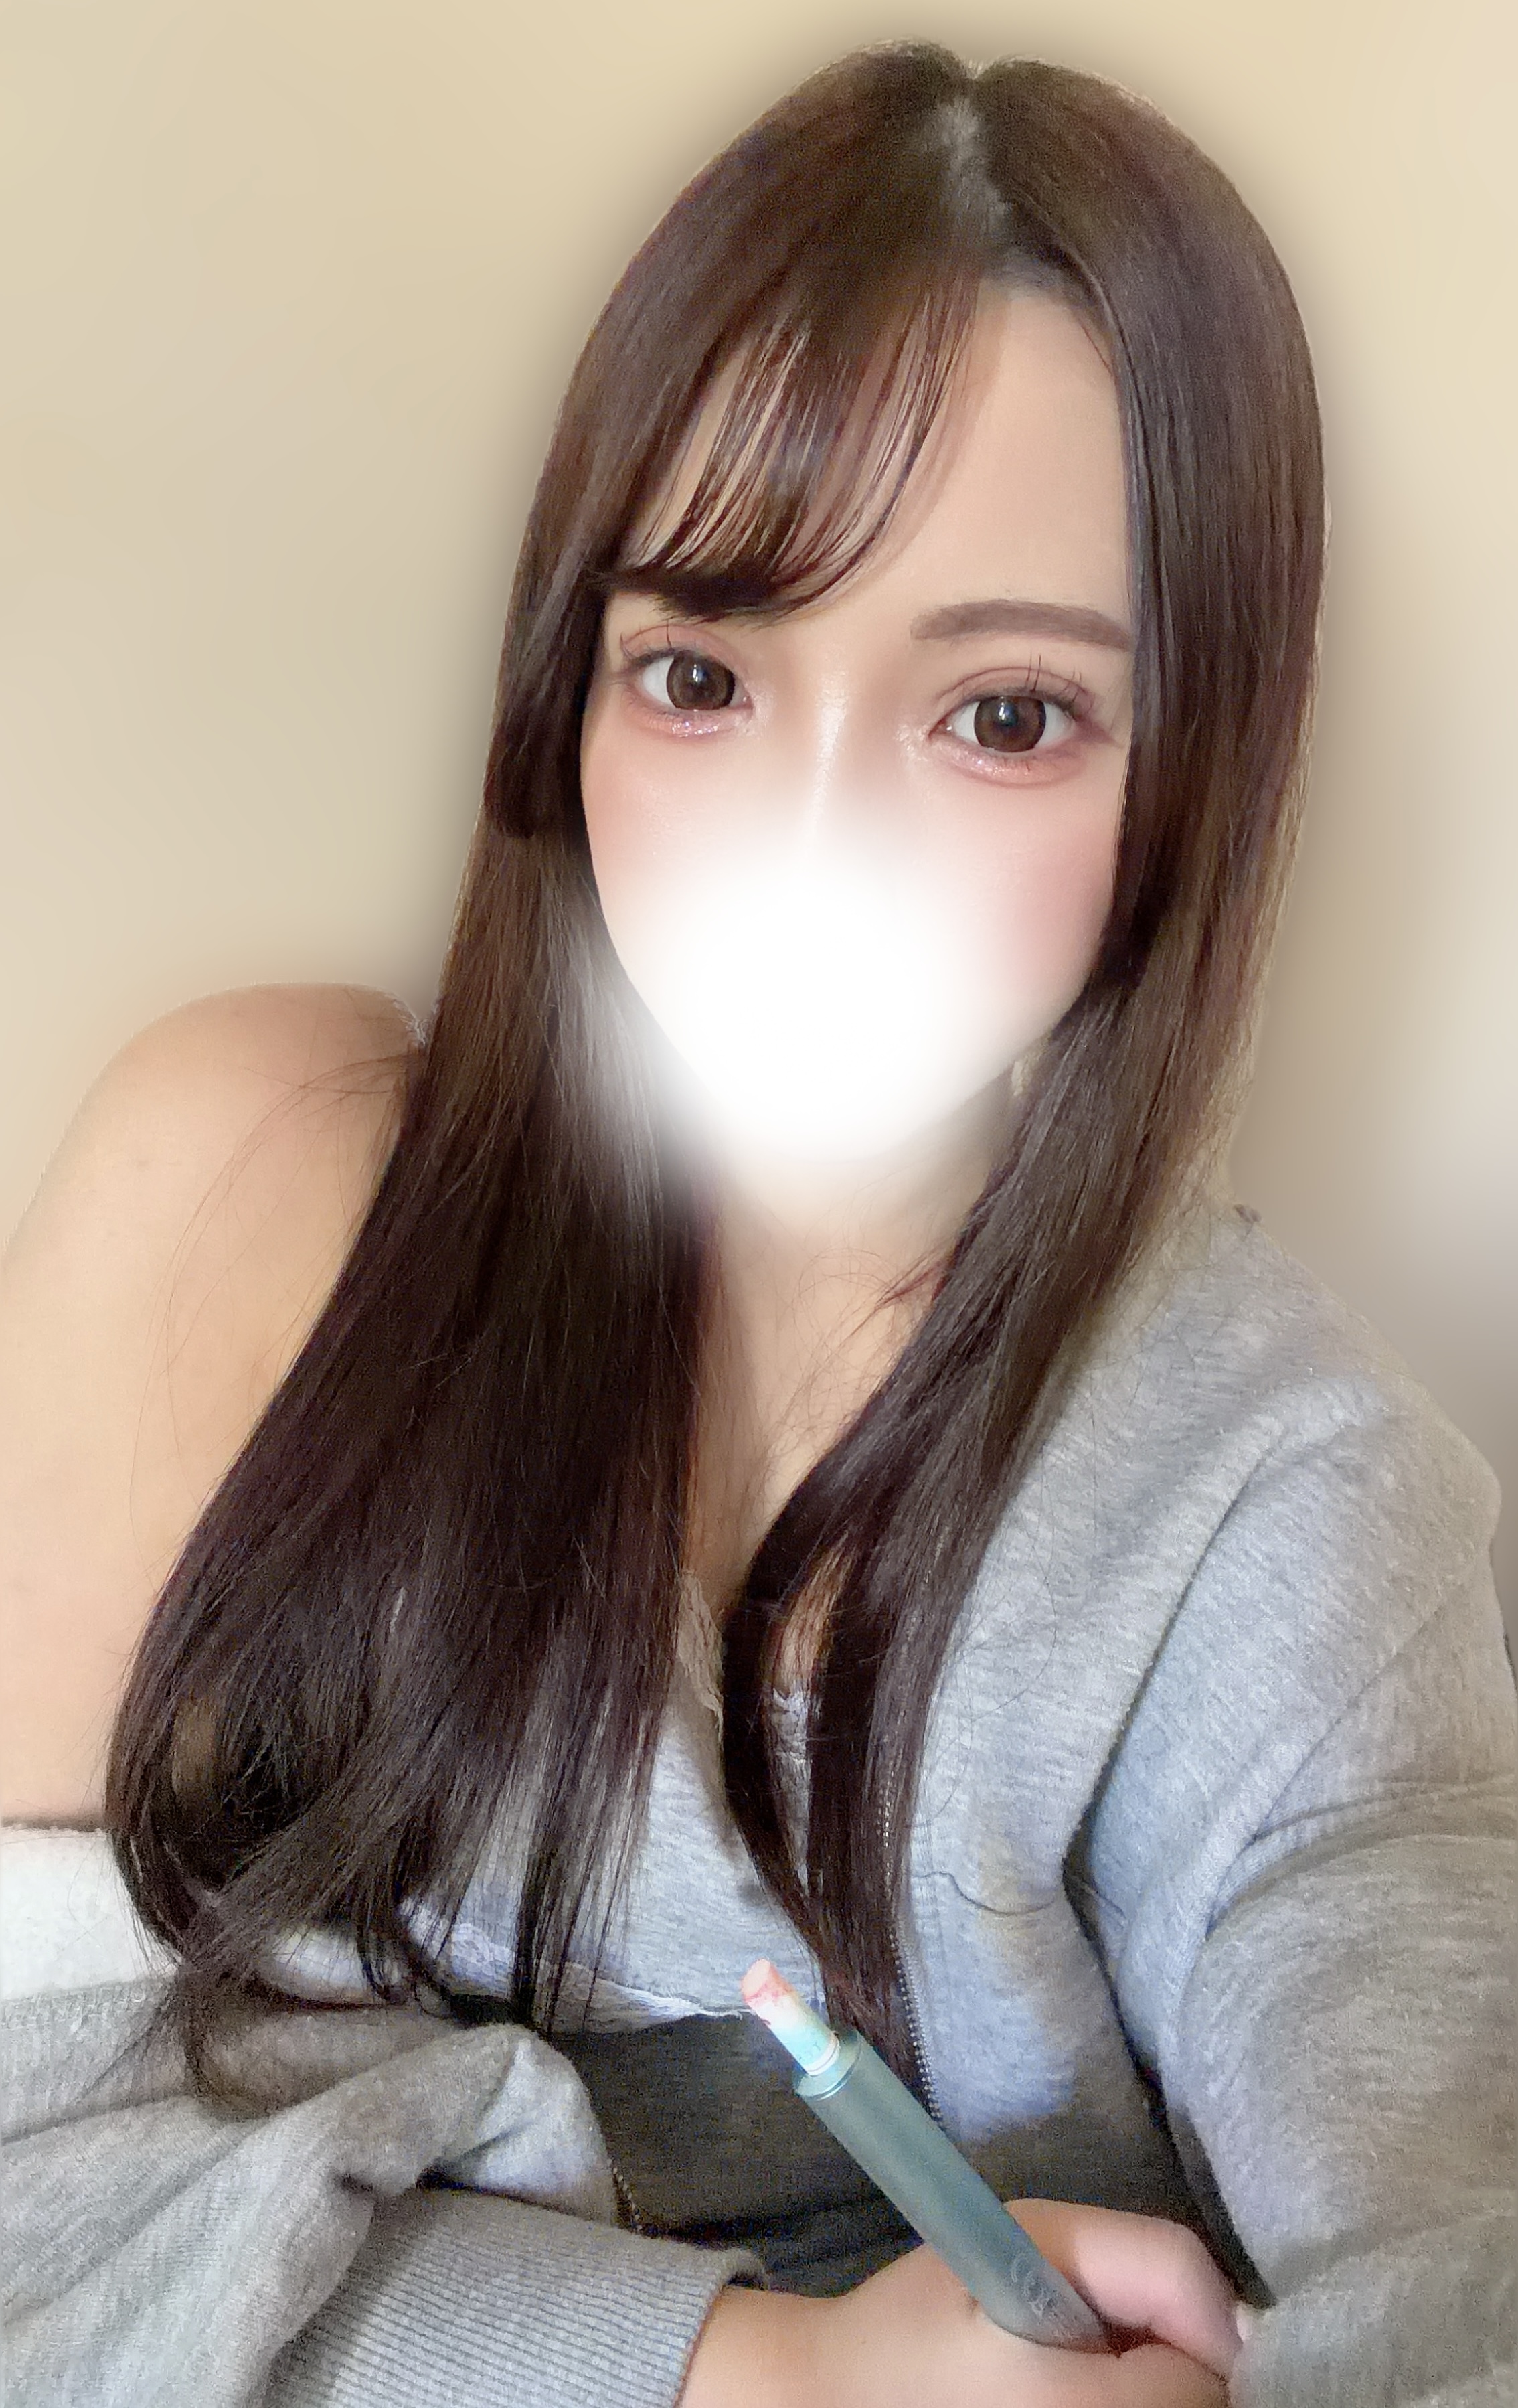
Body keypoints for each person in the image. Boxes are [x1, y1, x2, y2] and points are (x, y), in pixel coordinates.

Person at [1, 41, 1512, 2408]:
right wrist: (763, 2373)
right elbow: (22, 2184)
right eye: (698, 674)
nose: (809, 845)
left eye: (1002, 716)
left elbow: (1452, 2272)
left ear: (1184, 777)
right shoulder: (252, 1176)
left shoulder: (1290, 1497)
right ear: (566, 691)